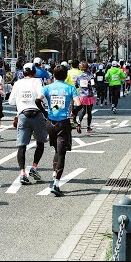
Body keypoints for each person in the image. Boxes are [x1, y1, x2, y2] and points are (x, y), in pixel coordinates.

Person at [36, 65, 82, 197]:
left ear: (53, 76)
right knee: (62, 153)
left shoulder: (48, 88)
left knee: (56, 148)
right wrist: (73, 112)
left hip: (50, 122)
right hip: (63, 123)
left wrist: (45, 112)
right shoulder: (70, 88)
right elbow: (79, 104)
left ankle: (54, 172)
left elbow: (37, 100)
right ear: (66, 76)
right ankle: (56, 183)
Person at [8, 62, 46, 185]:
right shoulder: (37, 81)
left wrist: (21, 100)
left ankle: (22, 173)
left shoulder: (17, 83)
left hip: (23, 115)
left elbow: (11, 101)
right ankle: (34, 167)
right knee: (40, 142)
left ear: (23, 72)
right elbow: (42, 96)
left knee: (22, 145)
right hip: (37, 114)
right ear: (34, 72)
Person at [75, 61, 96, 133]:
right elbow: (93, 85)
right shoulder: (91, 76)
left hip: (82, 95)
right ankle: (88, 127)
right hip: (89, 95)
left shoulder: (79, 76)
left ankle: (79, 121)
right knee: (89, 112)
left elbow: (76, 85)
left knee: (83, 110)